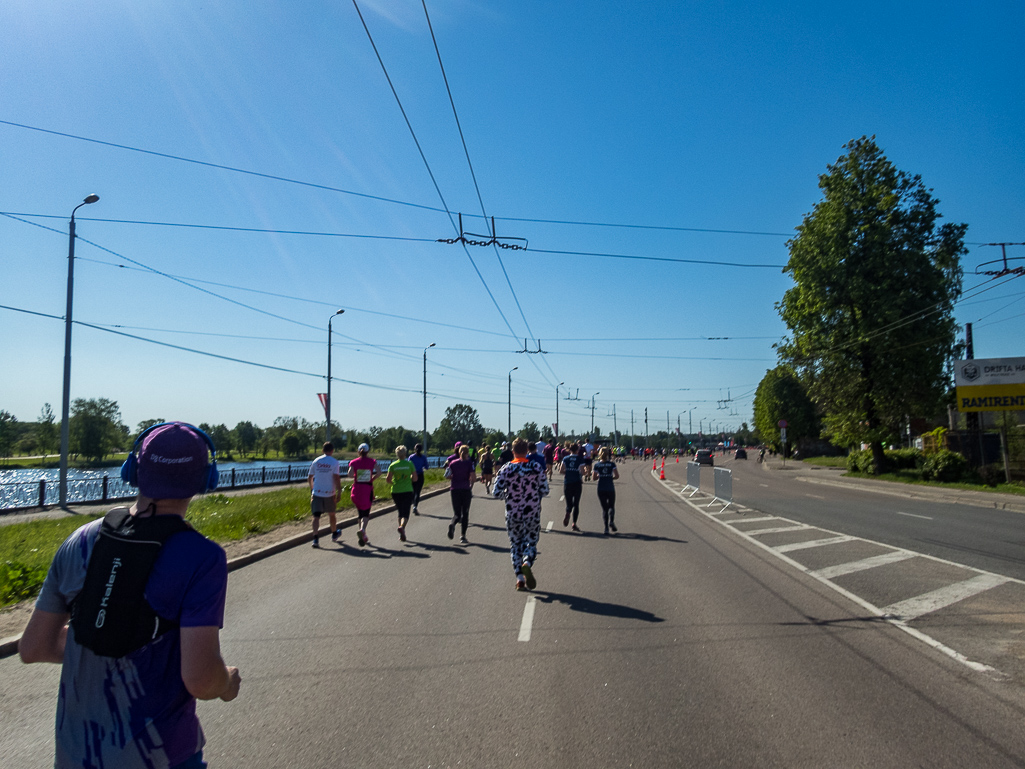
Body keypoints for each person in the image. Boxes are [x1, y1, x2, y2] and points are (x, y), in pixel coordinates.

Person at [19, 421, 241, 769]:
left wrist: (102, 631)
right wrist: (226, 682)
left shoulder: (80, 541)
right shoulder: (202, 558)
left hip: (76, 756)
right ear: (205, 479)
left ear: (134, 468)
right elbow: (199, 678)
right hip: (162, 757)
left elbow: (34, 648)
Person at [493, 438, 550, 590]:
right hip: (532, 512)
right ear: (527, 451)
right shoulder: (535, 467)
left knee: (515, 544)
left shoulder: (506, 469)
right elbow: (545, 490)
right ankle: (527, 562)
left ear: (513, 452)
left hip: (513, 512)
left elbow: (496, 492)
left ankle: (519, 578)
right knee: (531, 541)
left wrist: (508, 495)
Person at [308, 441, 343, 548]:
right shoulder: (334, 462)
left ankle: (315, 539)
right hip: (329, 493)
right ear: (332, 450)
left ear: (322, 450)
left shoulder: (316, 461)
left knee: (316, 517)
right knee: (332, 514)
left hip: (317, 493)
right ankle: (334, 534)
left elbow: (310, 477)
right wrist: (339, 491)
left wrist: (312, 490)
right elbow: (336, 478)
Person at [348, 443, 380, 547]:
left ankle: (363, 534)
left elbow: (349, 474)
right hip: (367, 490)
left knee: (360, 513)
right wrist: (372, 478)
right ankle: (362, 529)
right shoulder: (372, 461)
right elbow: (379, 472)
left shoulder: (354, 462)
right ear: (368, 452)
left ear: (358, 451)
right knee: (366, 513)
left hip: (356, 490)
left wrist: (357, 475)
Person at [387, 445, 418, 542]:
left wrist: (395, 483)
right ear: (405, 453)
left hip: (395, 491)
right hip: (407, 490)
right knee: (406, 512)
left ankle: (401, 533)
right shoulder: (409, 464)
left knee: (400, 511)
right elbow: (415, 478)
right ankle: (402, 527)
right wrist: (409, 480)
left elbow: (388, 480)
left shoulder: (393, 465)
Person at [447, 445, 476, 545]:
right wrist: (471, 484)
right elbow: (473, 477)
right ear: (468, 453)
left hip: (454, 489)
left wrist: (453, 477)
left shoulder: (452, 463)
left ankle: (452, 524)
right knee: (465, 513)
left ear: (459, 452)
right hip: (465, 489)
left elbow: (447, 475)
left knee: (457, 513)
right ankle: (463, 536)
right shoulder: (469, 463)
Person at [592, 447, 620, 535]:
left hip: (601, 487)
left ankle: (606, 528)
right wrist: (610, 477)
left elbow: (594, 478)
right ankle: (611, 521)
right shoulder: (612, 464)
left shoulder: (597, 465)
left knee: (604, 509)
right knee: (611, 506)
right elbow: (617, 476)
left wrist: (601, 476)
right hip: (610, 487)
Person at [559, 442, 585, 531]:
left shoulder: (565, 459)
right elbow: (582, 472)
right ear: (577, 450)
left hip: (568, 482)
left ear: (569, 450)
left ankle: (568, 512)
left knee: (569, 502)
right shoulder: (579, 459)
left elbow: (561, 470)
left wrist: (568, 472)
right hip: (577, 482)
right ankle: (574, 523)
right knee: (576, 503)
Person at [410, 443, 430, 515]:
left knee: (413, 491)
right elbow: (427, 467)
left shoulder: (411, 457)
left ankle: (412, 504)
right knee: (417, 492)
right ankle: (415, 506)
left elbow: (409, 465)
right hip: (420, 475)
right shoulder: (423, 457)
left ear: (415, 449)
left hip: (412, 475)